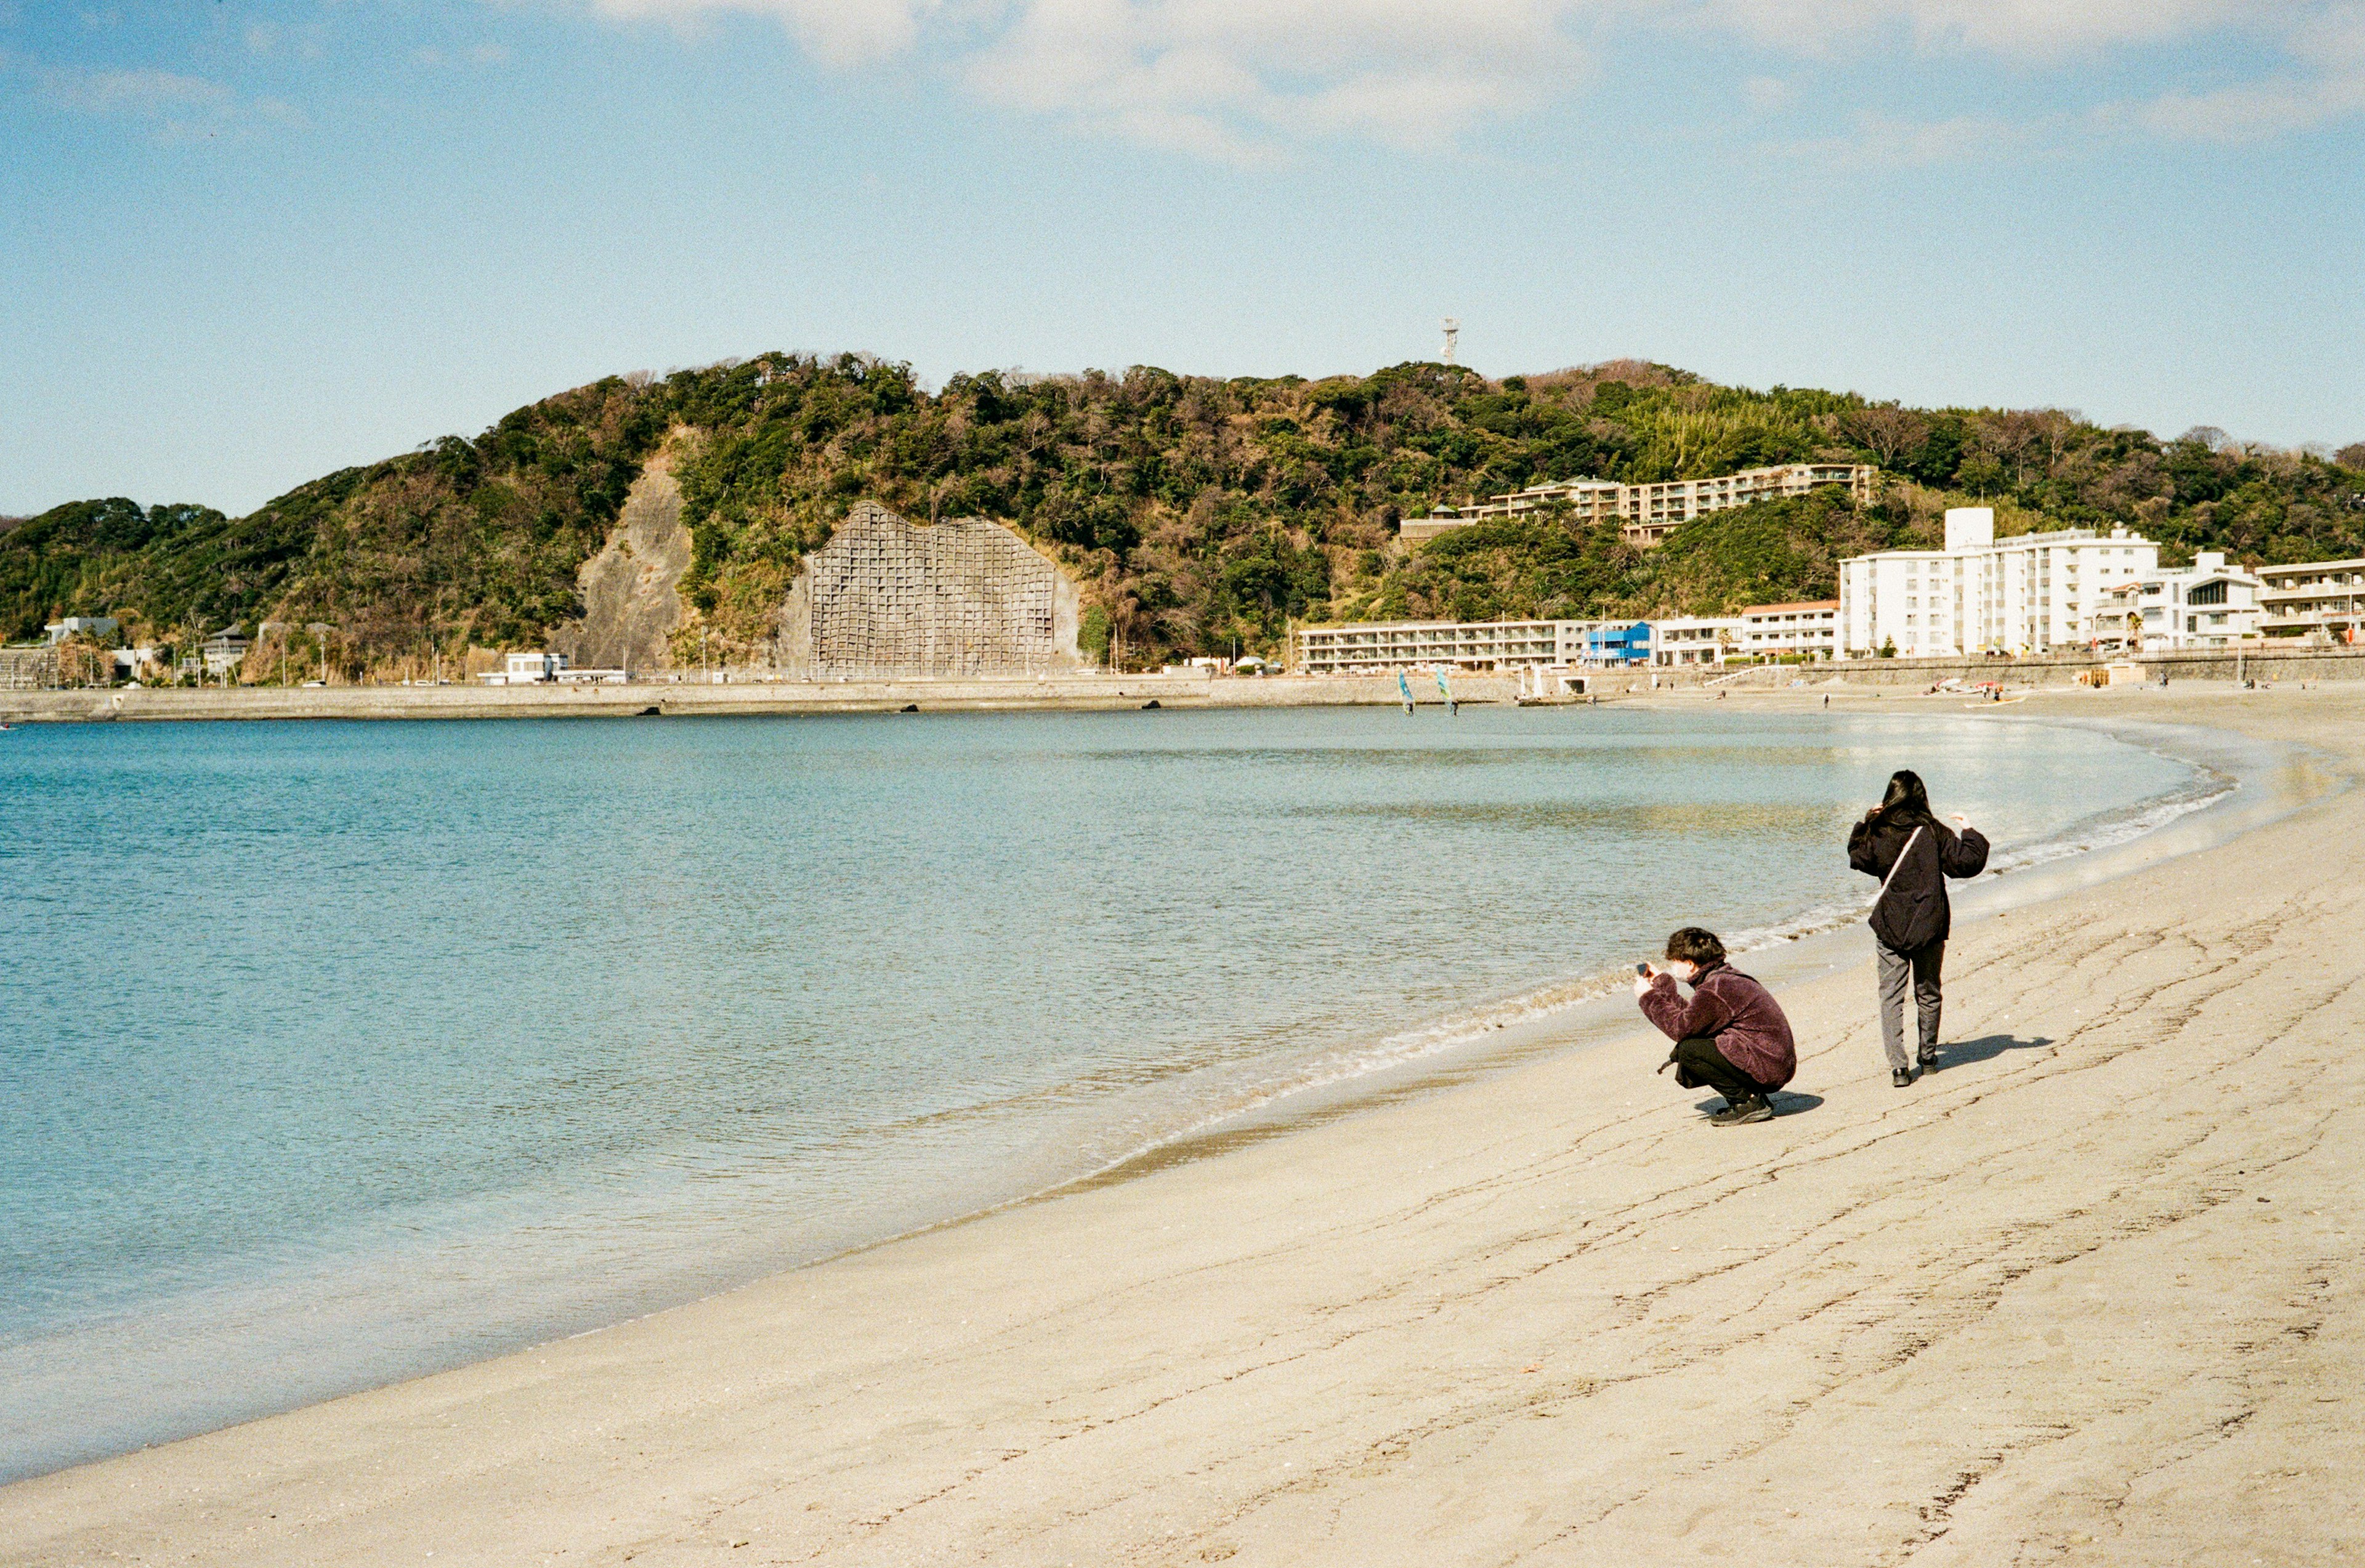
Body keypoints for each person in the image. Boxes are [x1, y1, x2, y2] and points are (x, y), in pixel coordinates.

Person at [1848, 770, 1989, 1086]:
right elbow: (1965, 864)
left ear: (1890, 797)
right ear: (1921, 796)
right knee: (1929, 993)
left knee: (1890, 997)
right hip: (1929, 924)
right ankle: (1927, 1059)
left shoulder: (1879, 831)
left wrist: (1866, 822)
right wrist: (1969, 830)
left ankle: (1899, 1069)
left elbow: (1859, 858)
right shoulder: (1933, 830)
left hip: (1890, 926)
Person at [1634, 927, 1797, 1126]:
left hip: (1768, 1067)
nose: (1673, 967)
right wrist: (1661, 984)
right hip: (1772, 1062)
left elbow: (1680, 1028)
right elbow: (1695, 1019)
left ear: (1690, 965)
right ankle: (1750, 1097)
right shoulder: (1722, 978)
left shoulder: (1716, 988)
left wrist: (1647, 998)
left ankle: (1748, 1102)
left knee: (1689, 1050)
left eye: (1675, 962)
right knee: (1693, 1042)